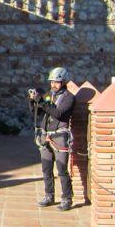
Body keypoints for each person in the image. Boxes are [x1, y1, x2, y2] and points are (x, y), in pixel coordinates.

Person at [28, 66, 76, 211]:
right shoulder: (49, 95)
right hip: (45, 135)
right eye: (52, 82)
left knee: (62, 170)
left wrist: (41, 102)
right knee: (46, 169)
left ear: (64, 82)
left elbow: (58, 113)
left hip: (60, 136)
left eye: (57, 82)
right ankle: (49, 196)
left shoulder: (69, 98)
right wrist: (33, 101)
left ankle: (67, 198)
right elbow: (38, 111)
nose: (53, 85)